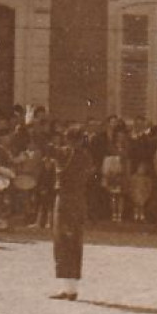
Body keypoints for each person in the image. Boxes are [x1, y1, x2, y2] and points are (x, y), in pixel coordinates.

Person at [50, 128, 92, 300]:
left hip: (65, 199)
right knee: (74, 241)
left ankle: (68, 287)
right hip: (79, 199)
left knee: (62, 241)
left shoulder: (65, 153)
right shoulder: (86, 156)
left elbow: (45, 146)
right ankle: (71, 288)